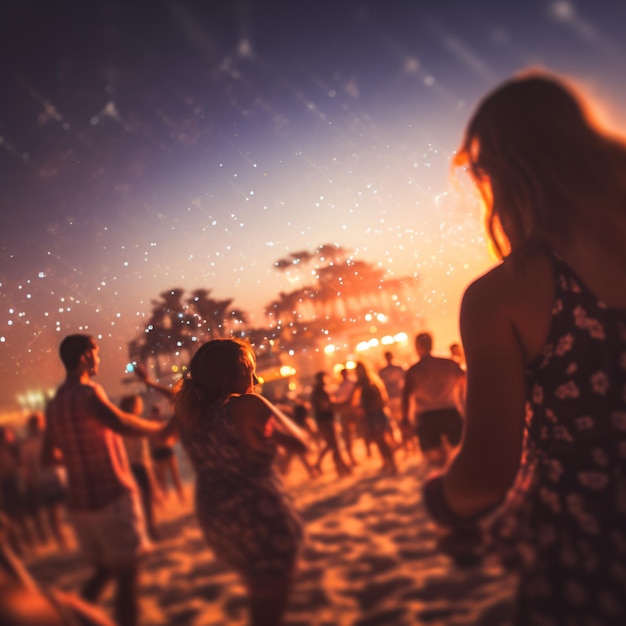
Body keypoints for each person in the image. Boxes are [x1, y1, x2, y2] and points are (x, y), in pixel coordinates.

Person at [423, 72, 626, 625]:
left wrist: (442, 501)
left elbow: (487, 475)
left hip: (589, 558)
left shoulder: (506, 295)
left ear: (503, 175)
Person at [171, 338, 309, 626]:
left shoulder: (189, 414)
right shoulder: (245, 405)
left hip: (216, 517)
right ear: (228, 378)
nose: (257, 379)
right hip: (257, 512)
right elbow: (300, 442)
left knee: (259, 593)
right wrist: (270, 417)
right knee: (272, 600)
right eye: (251, 371)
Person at [42, 334, 165, 626]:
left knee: (104, 571)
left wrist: (77, 456)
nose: (99, 360)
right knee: (128, 580)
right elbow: (122, 423)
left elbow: (47, 457)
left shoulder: (55, 403)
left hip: (81, 506)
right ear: (85, 356)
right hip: (111, 497)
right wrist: (157, 428)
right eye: (96, 354)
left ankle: (76, 618)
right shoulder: (88, 393)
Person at [402, 332, 465, 468]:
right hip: (450, 412)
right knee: (460, 455)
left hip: (427, 418)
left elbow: (406, 397)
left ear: (418, 346)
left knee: (436, 461)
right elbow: (465, 381)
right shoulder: (449, 364)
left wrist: (405, 421)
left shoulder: (414, 370)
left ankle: (443, 481)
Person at [20, 413, 69, 550]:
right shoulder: (49, 438)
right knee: (59, 512)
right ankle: (63, 540)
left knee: (54, 513)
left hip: (52, 479)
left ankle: (62, 540)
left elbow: (27, 467)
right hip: (54, 478)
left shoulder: (29, 443)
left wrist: (33, 481)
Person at [120, 396, 161, 541]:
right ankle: (151, 529)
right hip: (140, 466)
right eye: (139, 403)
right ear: (133, 406)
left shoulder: (121, 423)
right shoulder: (136, 423)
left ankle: (142, 530)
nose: (141, 405)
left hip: (129, 467)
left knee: (135, 503)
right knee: (146, 501)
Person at [351, 362, 398, 474]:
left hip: (376, 413)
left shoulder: (371, 381)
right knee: (378, 440)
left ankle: (391, 462)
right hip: (370, 414)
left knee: (382, 439)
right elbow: (353, 399)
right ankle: (387, 462)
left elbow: (382, 397)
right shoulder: (361, 383)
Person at [310, 372, 352, 477]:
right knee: (334, 445)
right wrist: (342, 402)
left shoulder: (318, 390)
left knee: (331, 444)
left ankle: (338, 466)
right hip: (326, 420)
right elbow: (326, 406)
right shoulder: (321, 391)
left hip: (324, 420)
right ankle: (341, 468)